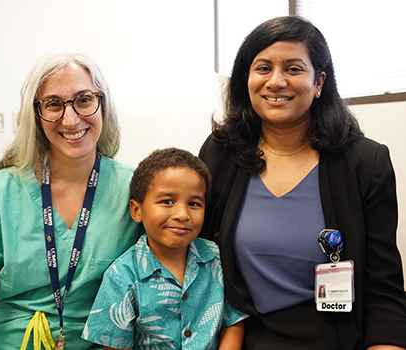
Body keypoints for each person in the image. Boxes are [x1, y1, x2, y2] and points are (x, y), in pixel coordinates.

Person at [199, 15, 406, 349]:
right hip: (237, 337)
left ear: (319, 80)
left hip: (334, 339)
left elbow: (383, 293)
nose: (276, 81)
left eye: (293, 69)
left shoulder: (365, 163)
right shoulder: (220, 154)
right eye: (263, 68)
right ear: (246, 79)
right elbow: (199, 262)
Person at [0, 51, 143, 349]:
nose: (71, 119)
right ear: (35, 115)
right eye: (54, 105)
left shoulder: (136, 190)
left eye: (84, 100)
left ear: (102, 105)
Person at [82, 148, 248, 349]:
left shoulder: (217, 259)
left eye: (194, 203)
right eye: (167, 201)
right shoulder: (121, 275)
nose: (182, 214)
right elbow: (115, 344)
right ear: (137, 210)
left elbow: (234, 322)